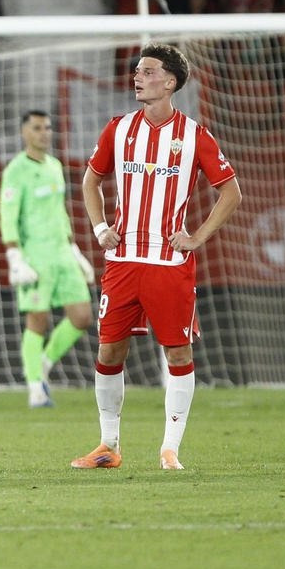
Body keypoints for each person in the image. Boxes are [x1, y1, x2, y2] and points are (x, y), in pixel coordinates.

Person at [73, 45, 242, 471]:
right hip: (124, 261)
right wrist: (99, 229)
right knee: (110, 352)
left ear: (170, 82)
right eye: (136, 71)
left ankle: (170, 449)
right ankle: (108, 446)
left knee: (178, 355)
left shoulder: (194, 136)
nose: (137, 77)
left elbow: (231, 192)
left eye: (147, 71)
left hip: (169, 264)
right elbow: (91, 181)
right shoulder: (119, 129)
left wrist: (198, 236)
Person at [0, 110, 98, 408]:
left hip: (62, 253)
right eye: (37, 128)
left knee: (82, 316)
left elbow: (60, 212)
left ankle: (42, 363)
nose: (44, 132)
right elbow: (8, 216)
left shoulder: (55, 166)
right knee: (37, 320)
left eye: (48, 127)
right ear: (24, 133)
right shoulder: (15, 170)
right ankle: (35, 389)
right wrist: (15, 256)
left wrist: (75, 250)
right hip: (35, 256)